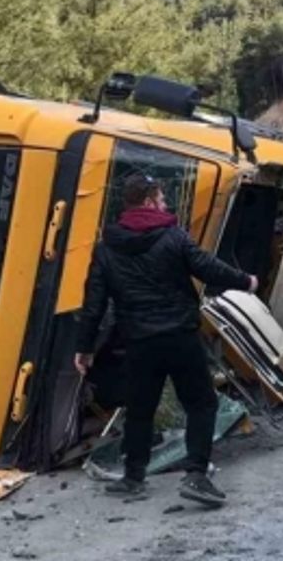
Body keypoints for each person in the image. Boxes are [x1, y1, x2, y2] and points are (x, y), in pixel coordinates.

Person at [74, 175, 257, 508]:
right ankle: (197, 475)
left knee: (140, 408)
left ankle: (133, 477)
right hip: (180, 337)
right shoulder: (173, 237)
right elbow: (208, 268)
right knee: (201, 404)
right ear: (147, 202)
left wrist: (84, 348)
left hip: (139, 341)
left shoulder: (106, 248)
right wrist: (245, 280)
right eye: (160, 199)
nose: (164, 205)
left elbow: (94, 304)